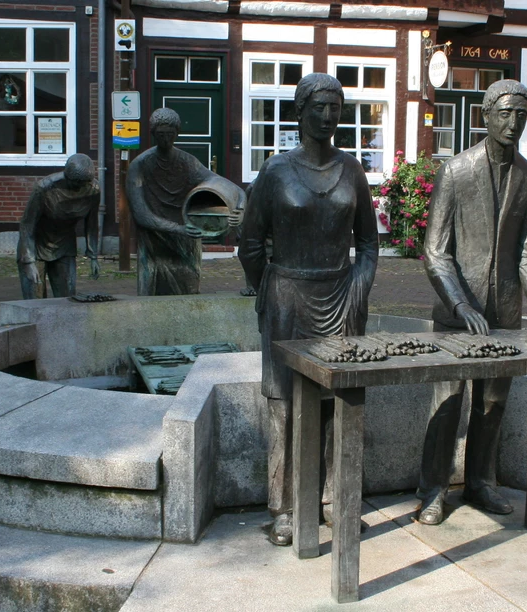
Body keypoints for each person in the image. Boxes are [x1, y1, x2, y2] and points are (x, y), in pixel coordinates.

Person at [239, 73, 379, 546]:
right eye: (317, 106)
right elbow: (250, 244)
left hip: (340, 299)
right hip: (286, 299)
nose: (327, 115)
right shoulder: (276, 171)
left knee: (339, 405)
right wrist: (270, 292)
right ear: (299, 112)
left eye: (335, 106)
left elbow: (370, 244)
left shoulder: (353, 170)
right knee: (285, 407)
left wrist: (359, 288)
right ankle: (283, 506)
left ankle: (335, 500)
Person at [416, 79, 527, 526]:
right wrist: (460, 305)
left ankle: (481, 481)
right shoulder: (456, 172)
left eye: (520, 114)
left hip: (503, 314)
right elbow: (435, 251)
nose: (512, 122)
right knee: (447, 404)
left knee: (493, 404)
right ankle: (432, 490)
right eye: (504, 113)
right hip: (457, 314)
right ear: (485, 116)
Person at [125, 108, 224, 296]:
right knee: (152, 293)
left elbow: (216, 180)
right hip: (154, 242)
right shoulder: (139, 165)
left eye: (170, 134)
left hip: (184, 241)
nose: (165, 139)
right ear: (153, 133)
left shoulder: (187, 161)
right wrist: (177, 229)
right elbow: (141, 215)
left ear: (177, 133)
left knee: (188, 291)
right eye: (160, 134)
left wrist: (239, 200)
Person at [17, 153, 101, 299]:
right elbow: (27, 225)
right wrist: (28, 261)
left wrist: (93, 256)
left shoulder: (93, 190)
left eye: (84, 183)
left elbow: (92, 223)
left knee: (67, 297)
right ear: (67, 176)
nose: (79, 187)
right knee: (34, 298)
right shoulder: (44, 188)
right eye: (75, 183)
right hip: (36, 244)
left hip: (65, 244)